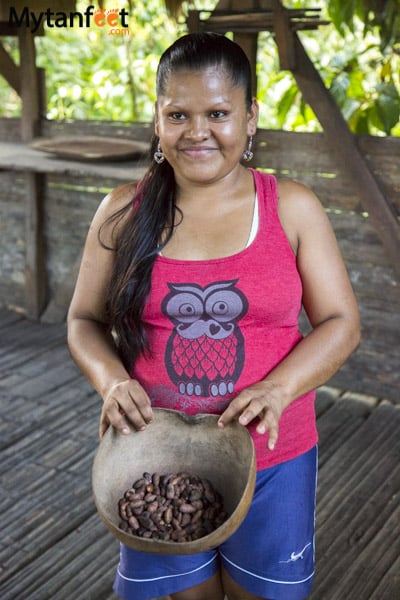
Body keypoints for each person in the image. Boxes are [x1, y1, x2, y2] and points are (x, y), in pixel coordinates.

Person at [67, 32, 360, 600]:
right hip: (151, 460)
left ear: (250, 118)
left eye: (218, 113)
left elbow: (341, 322)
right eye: (178, 113)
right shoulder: (123, 211)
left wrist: (279, 388)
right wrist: (111, 380)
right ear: (157, 119)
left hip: (274, 460)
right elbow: (83, 320)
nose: (197, 131)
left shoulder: (292, 207)